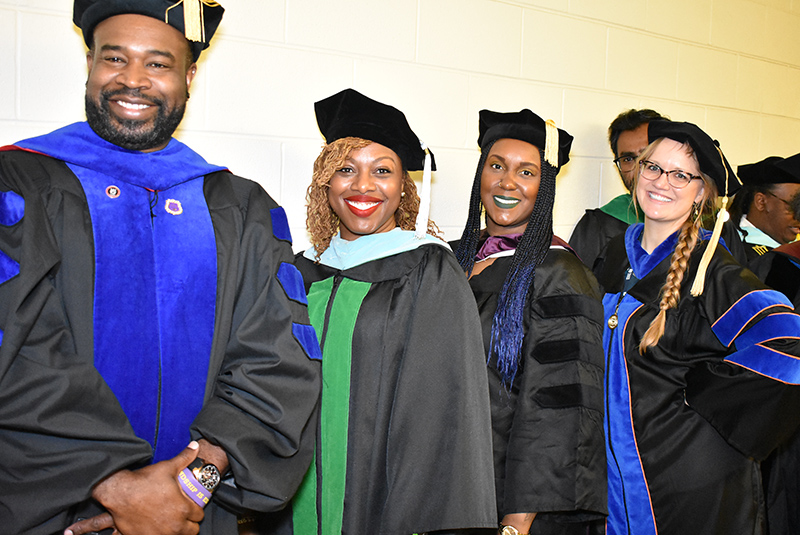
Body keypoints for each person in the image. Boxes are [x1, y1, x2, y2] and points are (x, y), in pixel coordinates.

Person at [0, 2, 321, 534]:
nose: (132, 80)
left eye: (157, 63)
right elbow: (18, 347)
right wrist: (118, 488)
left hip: (191, 515)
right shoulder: (19, 184)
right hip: (54, 511)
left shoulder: (240, 207)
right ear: (89, 64)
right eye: (115, 58)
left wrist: (191, 485)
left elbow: (277, 361)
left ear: (188, 75)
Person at [282, 88, 497, 534]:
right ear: (326, 182)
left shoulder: (427, 268)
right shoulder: (302, 270)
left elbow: (445, 413)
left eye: (382, 171)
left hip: (384, 502)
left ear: (403, 186)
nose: (363, 186)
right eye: (346, 169)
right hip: (295, 490)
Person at [593, 119, 800, 534]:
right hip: (616, 480)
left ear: (701, 191)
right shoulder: (617, 252)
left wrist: (705, 398)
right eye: (653, 167)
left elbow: (789, 350)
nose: (662, 182)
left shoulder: (712, 270)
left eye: (681, 175)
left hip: (687, 485)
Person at [452, 109, 607, 535]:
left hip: (515, 499)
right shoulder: (452, 260)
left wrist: (517, 521)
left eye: (528, 171)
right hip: (453, 486)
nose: (507, 182)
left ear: (546, 187)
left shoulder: (560, 273)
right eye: (496, 165)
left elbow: (561, 410)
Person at [569, 109, 666, 269]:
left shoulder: (712, 222)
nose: (638, 168)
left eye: (647, 155)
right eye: (628, 159)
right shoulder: (599, 225)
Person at [727, 153, 800, 261]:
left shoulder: (792, 250)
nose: (798, 216)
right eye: (793, 206)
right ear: (761, 202)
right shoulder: (732, 250)